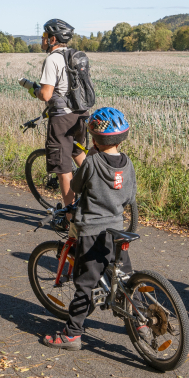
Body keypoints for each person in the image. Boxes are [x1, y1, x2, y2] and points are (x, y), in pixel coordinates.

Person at [42, 107, 136, 351]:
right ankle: (142, 323)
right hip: (117, 230)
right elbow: (129, 197)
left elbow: (76, 185)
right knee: (125, 279)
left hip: (92, 231)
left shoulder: (92, 162)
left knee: (84, 285)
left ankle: (72, 334)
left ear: (94, 139)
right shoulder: (128, 164)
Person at [19, 18, 89, 206]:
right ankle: (95, 186)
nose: (42, 39)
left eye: (44, 35)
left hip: (62, 119)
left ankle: (69, 215)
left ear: (52, 39)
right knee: (78, 152)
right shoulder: (74, 56)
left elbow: (46, 94)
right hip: (81, 115)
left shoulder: (52, 59)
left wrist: (34, 90)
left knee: (63, 168)